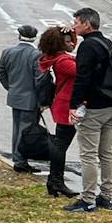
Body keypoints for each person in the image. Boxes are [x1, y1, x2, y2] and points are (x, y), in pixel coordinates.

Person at [65, 7, 112, 213]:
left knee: (88, 154)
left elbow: (82, 78)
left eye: (77, 22)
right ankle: (107, 196)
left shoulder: (88, 47)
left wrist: (74, 105)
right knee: (106, 153)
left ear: (87, 24)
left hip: (94, 108)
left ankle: (87, 199)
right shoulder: (107, 43)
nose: (74, 26)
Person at [37, 25, 78, 198]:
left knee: (60, 144)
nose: (72, 44)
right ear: (58, 44)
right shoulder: (63, 62)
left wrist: (71, 31)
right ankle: (56, 181)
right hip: (66, 106)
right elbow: (85, 70)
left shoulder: (53, 58)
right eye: (67, 41)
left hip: (61, 104)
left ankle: (54, 182)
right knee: (61, 145)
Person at [0, 24, 42, 173]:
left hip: (15, 96)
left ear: (19, 36)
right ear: (34, 38)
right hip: (31, 99)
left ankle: (18, 157)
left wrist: (10, 87)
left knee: (17, 128)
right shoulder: (37, 55)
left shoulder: (8, 52)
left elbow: (0, 72)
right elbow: (39, 79)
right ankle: (21, 160)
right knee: (26, 130)